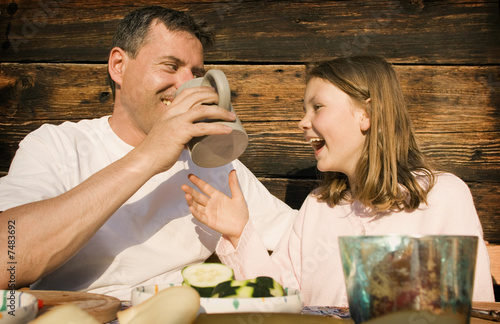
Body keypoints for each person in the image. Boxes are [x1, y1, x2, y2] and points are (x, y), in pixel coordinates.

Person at [0, 6, 296, 300]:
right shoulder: (58, 146)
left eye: (195, 73)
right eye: (170, 66)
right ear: (118, 65)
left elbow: (300, 240)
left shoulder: (213, 164)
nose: (185, 85)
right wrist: (149, 156)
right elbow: (6, 259)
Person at [182, 55, 495, 306]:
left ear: (365, 114)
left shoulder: (440, 196)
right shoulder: (318, 206)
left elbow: (477, 306)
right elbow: (281, 297)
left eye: (317, 107)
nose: (303, 122)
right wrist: (239, 232)